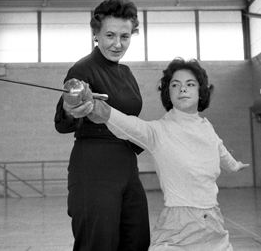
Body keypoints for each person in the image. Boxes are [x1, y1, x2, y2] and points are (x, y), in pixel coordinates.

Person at [71, 57, 250, 251]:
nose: (182, 89)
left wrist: (234, 165)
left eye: (190, 84)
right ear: (168, 93)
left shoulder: (207, 128)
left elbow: (220, 150)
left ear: (201, 91)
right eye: (175, 85)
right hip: (177, 230)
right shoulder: (159, 131)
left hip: (214, 226)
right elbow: (128, 124)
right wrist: (99, 107)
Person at [54, 0, 150, 251]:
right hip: (94, 168)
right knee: (99, 244)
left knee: (137, 241)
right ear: (96, 34)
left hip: (128, 166)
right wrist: (72, 107)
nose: (117, 44)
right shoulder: (82, 70)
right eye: (109, 35)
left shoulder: (126, 73)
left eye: (125, 36)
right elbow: (63, 120)